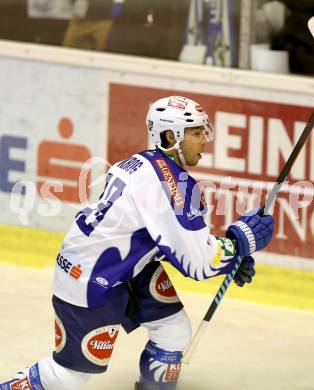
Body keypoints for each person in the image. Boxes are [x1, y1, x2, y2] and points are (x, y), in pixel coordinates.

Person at [0, 96, 274, 390]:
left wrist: (231, 259)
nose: (205, 140)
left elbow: (160, 237)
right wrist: (243, 239)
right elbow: (198, 264)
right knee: (67, 377)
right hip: (91, 280)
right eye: (196, 133)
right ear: (171, 137)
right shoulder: (172, 187)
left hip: (124, 266)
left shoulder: (140, 162)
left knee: (173, 331)